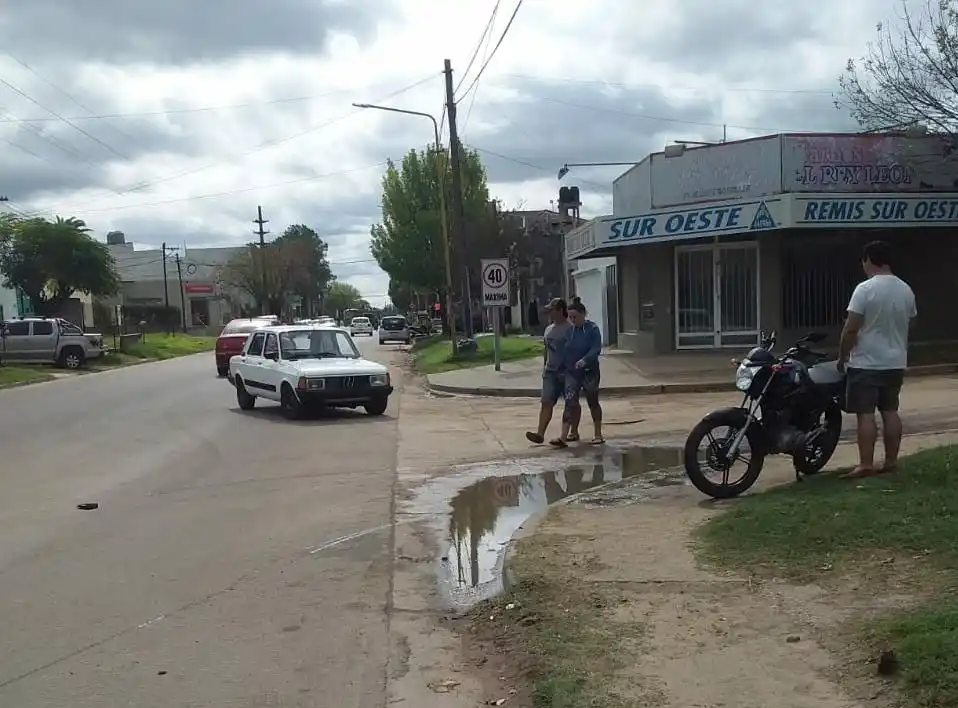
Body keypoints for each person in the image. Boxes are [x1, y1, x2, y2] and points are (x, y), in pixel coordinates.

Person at [838, 240, 916, 478]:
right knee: (890, 410)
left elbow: (851, 328)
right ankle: (891, 461)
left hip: (866, 362)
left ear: (869, 259)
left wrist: (842, 356)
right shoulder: (906, 289)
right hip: (895, 361)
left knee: (866, 413)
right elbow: (909, 322)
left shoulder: (865, 289)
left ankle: (866, 463)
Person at [551, 297, 603, 448]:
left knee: (592, 399)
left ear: (583, 314)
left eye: (575, 317)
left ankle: (598, 433)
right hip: (572, 372)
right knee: (570, 400)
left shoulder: (592, 329)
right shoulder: (569, 331)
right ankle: (565, 435)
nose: (573, 320)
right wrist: (560, 367)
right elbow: (564, 351)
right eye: (571, 317)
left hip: (589, 370)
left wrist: (585, 360)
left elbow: (596, 349)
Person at [525, 298, 570, 445]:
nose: (549, 313)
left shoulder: (570, 329)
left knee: (571, 404)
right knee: (546, 402)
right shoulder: (548, 329)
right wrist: (545, 367)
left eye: (552, 310)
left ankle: (568, 434)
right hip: (550, 372)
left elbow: (574, 351)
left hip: (566, 372)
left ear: (560, 311)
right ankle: (540, 433)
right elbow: (546, 350)